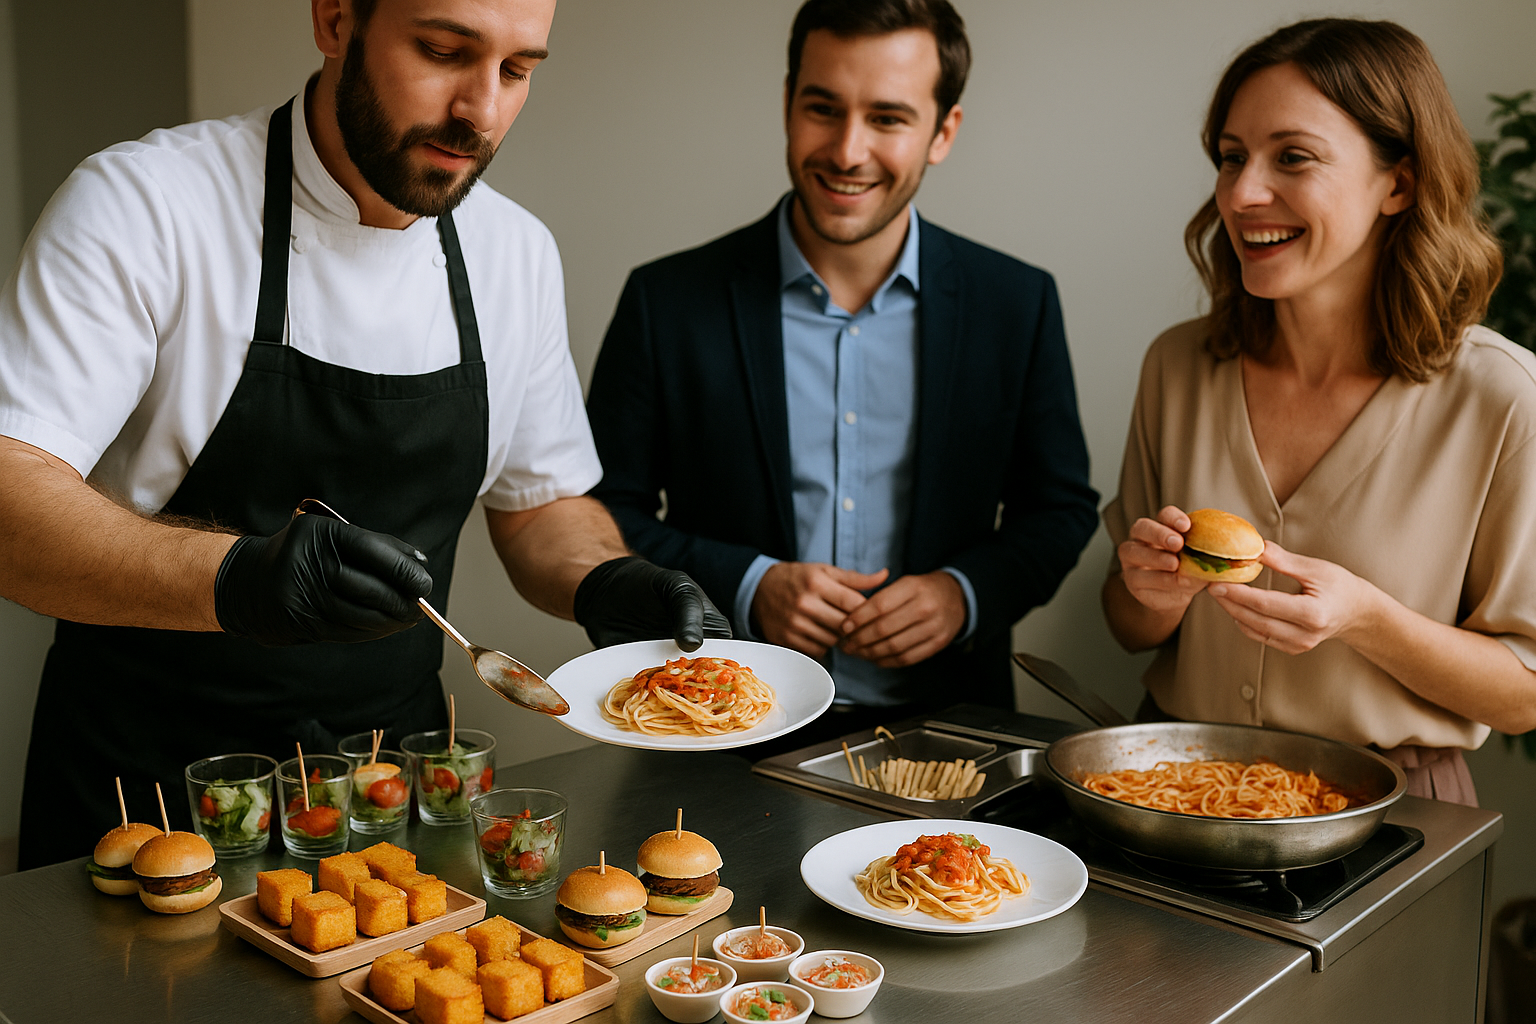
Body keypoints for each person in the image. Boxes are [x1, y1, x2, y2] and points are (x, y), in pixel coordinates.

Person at [0, 0, 725, 869]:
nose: (481, 111)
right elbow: (11, 499)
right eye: (443, 50)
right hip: (143, 804)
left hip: (393, 809)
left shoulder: (514, 252)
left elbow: (539, 506)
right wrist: (236, 578)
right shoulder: (147, 204)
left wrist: (604, 578)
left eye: (517, 70)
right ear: (336, 18)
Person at [586, 0, 1098, 738]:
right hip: (719, 730)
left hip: (958, 733)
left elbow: (1059, 510)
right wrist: (748, 585)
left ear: (942, 132)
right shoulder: (665, 300)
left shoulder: (1016, 302)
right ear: (788, 103)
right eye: (823, 108)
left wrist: (965, 594)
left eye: (888, 118)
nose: (848, 150)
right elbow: (603, 513)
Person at [1102, 17, 1536, 804]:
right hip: (1171, 793)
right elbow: (1129, 628)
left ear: (1398, 183)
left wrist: (1367, 619)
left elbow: (1526, 694)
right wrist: (1149, 593)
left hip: (1396, 818)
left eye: (1292, 157)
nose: (1241, 194)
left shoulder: (1505, 398)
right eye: (1231, 158)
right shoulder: (1178, 365)